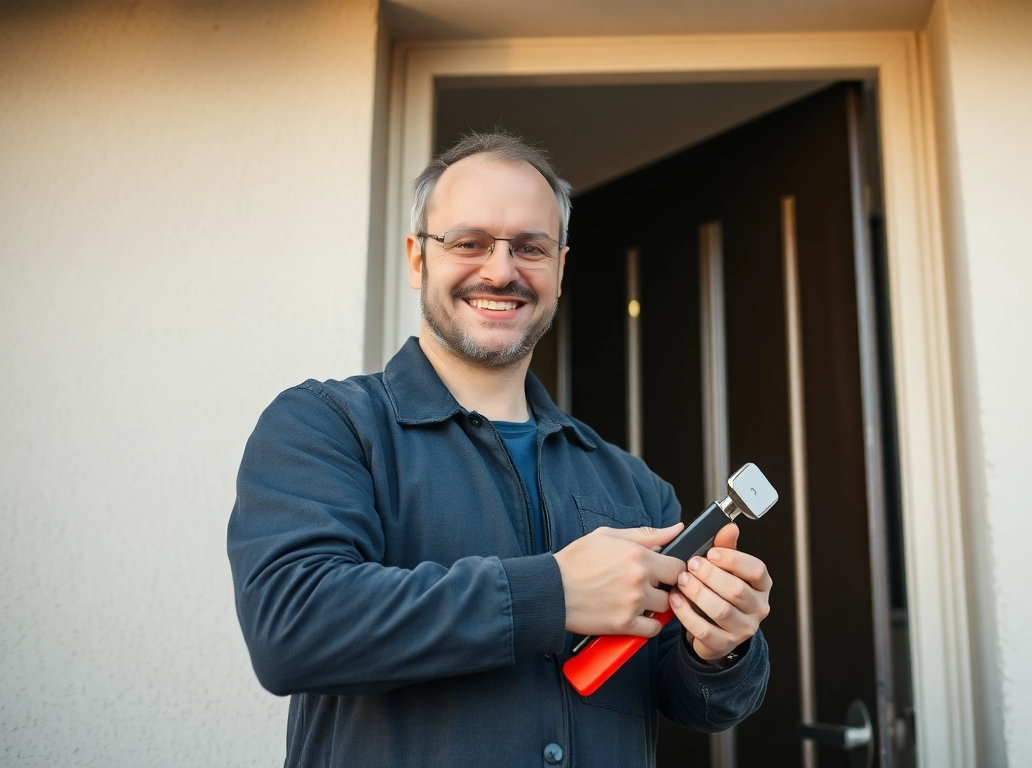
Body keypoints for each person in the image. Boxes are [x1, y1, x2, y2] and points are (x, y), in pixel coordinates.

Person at [227, 131, 771, 767]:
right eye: (469, 242)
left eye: (530, 248)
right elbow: (292, 630)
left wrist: (723, 647)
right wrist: (554, 594)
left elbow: (692, 702)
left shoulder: (635, 486)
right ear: (417, 259)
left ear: (561, 270)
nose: (501, 270)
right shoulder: (326, 427)